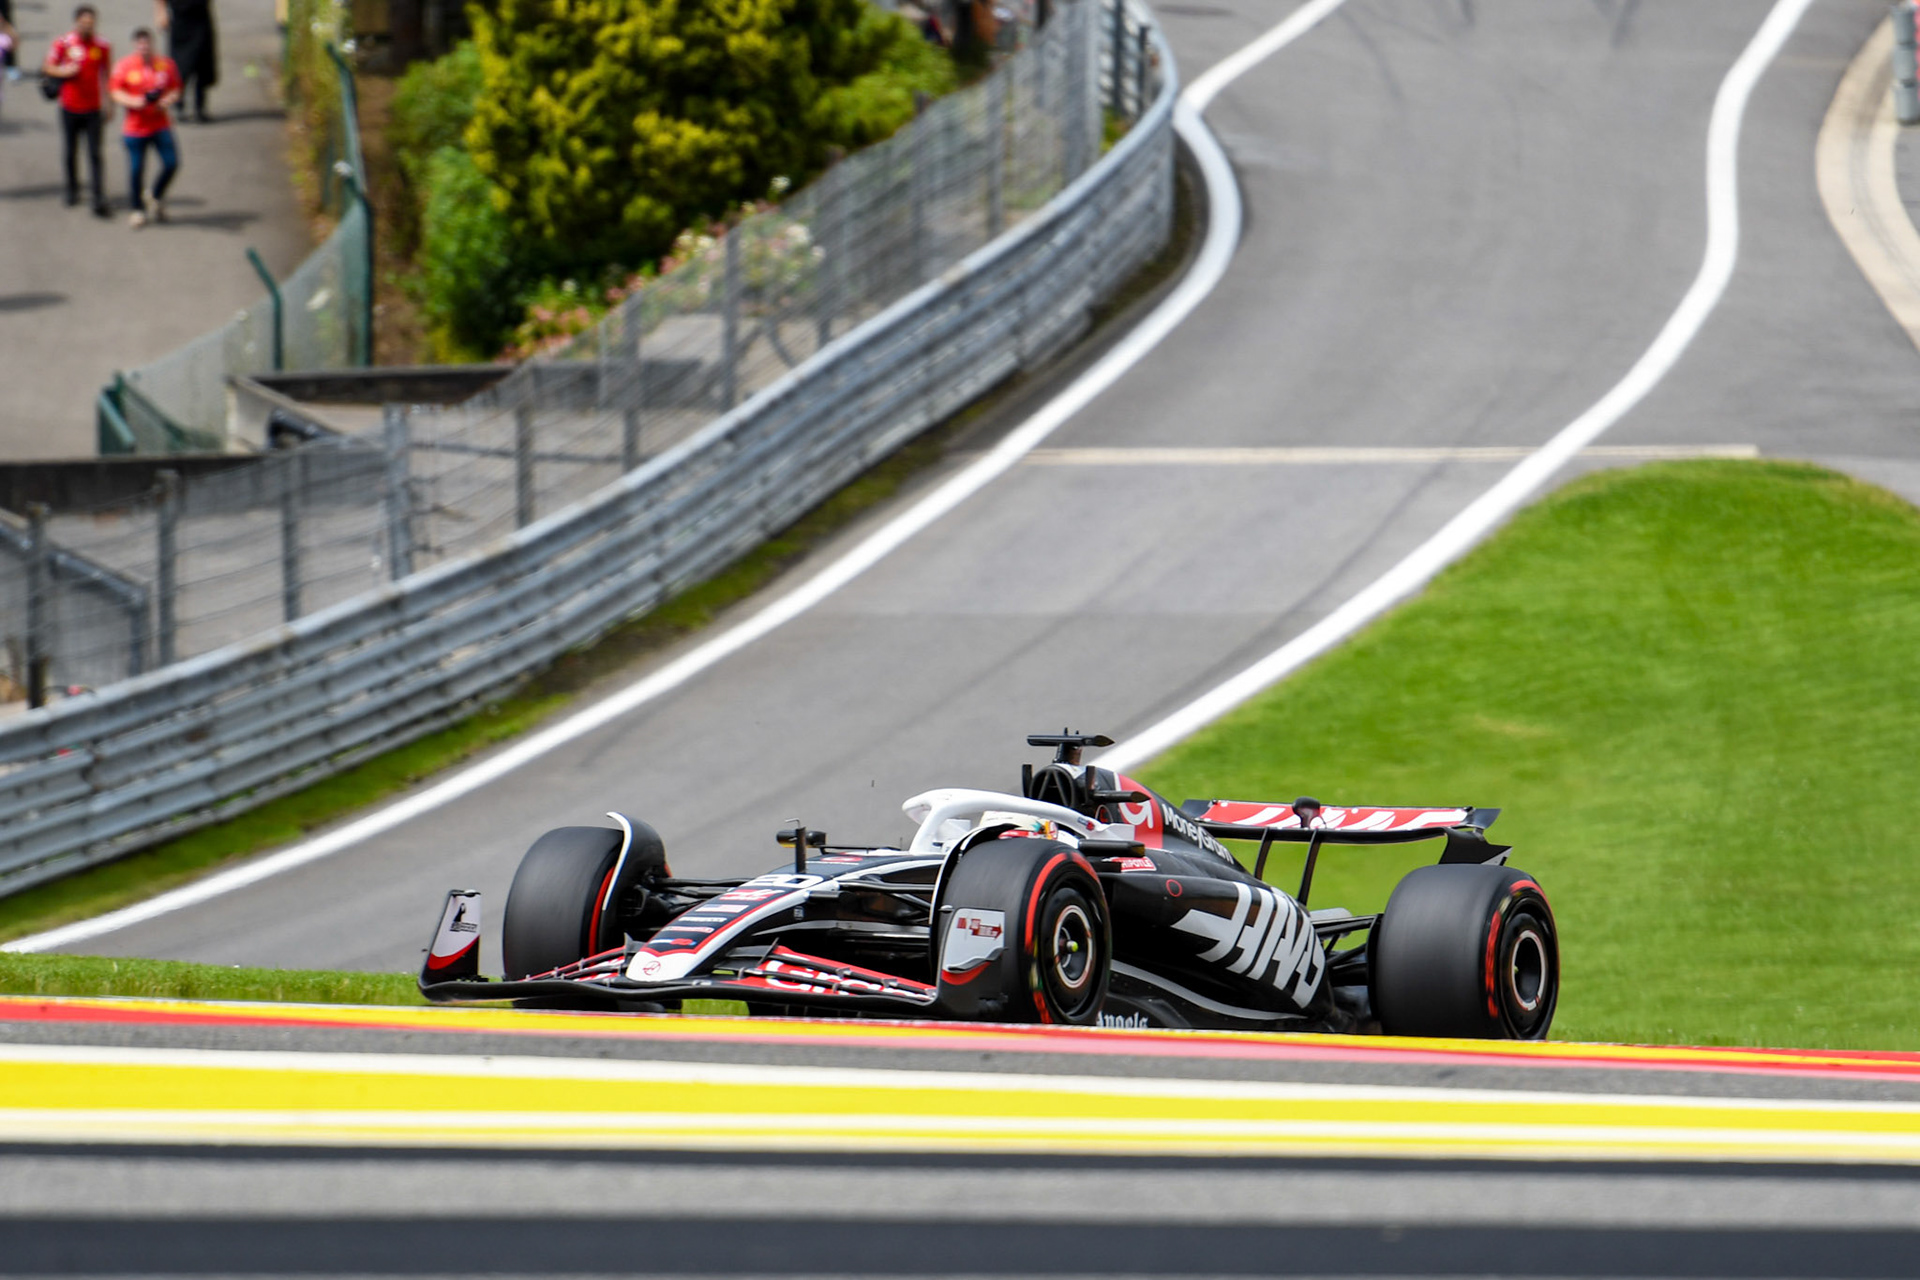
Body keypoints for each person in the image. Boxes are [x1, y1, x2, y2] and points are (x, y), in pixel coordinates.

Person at [43, 5, 112, 217]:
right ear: (76, 23)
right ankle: (72, 190)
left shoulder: (102, 46)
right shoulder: (64, 43)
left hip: (92, 108)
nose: (86, 27)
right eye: (83, 23)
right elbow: (48, 66)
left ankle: (98, 195)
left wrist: (108, 103)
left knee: (94, 153)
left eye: (90, 24)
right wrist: (64, 70)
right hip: (69, 107)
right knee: (70, 151)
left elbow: (106, 75)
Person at [110, 27, 179, 227]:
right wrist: (135, 101)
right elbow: (115, 91)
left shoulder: (165, 65)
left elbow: (175, 89)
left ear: (152, 45)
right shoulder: (125, 66)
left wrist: (166, 101)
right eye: (140, 44)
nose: (144, 48)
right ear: (135, 45)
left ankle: (155, 195)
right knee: (136, 169)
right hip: (135, 127)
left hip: (160, 124)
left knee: (172, 163)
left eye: (147, 44)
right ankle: (137, 209)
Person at [153, 0, 212, 123]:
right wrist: (161, 12)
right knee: (180, 66)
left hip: (201, 17)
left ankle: (200, 107)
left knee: (202, 64)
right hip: (180, 19)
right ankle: (179, 106)